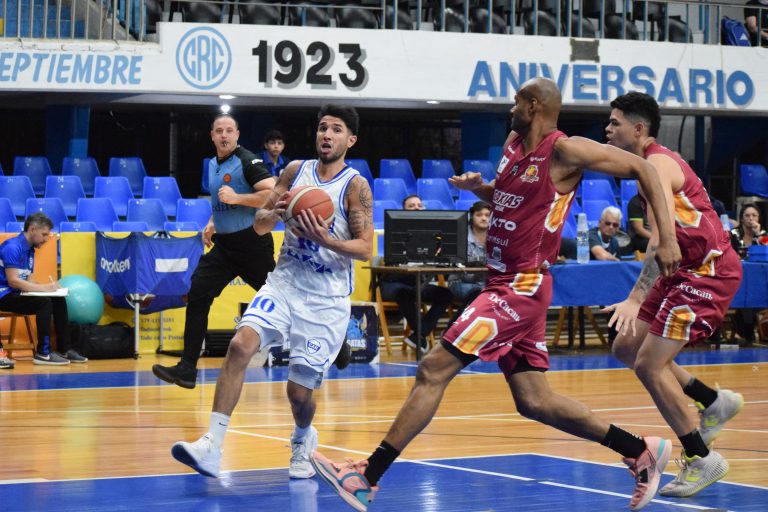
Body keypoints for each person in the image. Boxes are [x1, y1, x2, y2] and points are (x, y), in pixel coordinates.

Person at [312, 77, 682, 512]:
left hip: (522, 286)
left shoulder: (565, 150)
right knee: (534, 401)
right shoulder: (512, 143)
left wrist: (667, 238)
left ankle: (367, 476)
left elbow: (646, 171)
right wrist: (478, 190)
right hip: (501, 281)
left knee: (433, 368)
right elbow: (509, 198)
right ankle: (640, 450)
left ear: (533, 105)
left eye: (515, 103)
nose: (510, 110)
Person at [169, 104, 374, 481]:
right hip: (285, 283)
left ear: (351, 140)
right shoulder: (295, 171)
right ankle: (211, 446)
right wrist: (278, 210)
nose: (327, 135)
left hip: (325, 301)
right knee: (239, 345)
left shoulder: (355, 186)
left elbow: (365, 249)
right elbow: (261, 226)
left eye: (336, 129)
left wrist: (325, 239)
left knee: (299, 393)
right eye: (323, 127)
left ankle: (303, 437)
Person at [604, 91, 744, 499]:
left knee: (649, 366)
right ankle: (711, 400)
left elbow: (661, 239)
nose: (607, 129)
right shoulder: (644, 168)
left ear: (638, 129)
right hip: (681, 269)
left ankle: (702, 458)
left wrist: (635, 298)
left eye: (614, 123)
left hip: (707, 272)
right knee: (626, 346)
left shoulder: (657, 164)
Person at [152, 114, 277, 389]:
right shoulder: (212, 164)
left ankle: (334, 344)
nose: (224, 135)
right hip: (225, 247)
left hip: (252, 246)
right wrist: (212, 222)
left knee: (282, 300)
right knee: (198, 293)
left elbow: (273, 194)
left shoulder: (246, 160)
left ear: (237, 134)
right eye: (219, 131)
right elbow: (221, 202)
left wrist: (238, 198)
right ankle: (187, 369)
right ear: (211, 135)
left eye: (229, 130)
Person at [0, 213, 88, 367]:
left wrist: (51, 289)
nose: (47, 239)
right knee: (44, 303)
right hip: (4, 295)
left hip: (15, 293)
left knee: (57, 299)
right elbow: (14, 281)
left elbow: (28, 280)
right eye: (44, 234)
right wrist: (45, 288)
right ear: (32, 230)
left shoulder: (30, 250)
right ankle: (43, 353)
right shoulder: (12, 247)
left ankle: (64, 349)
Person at [379, 194, 454, 351]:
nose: (416, 208)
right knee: (404, 293)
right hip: (394, 283)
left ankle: (418, 336)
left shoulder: (434, 235)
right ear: (403, 211)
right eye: (411, 206)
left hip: (418, 282)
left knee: (445, 294)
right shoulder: (395, 232)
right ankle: (421, 336)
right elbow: (391, 263)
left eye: (419, 205)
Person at [729, 203, 768, 342]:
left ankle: (749, 329)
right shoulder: (733, 234)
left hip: (758, 277)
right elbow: (727, 253)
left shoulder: (763, 234)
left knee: (757, 291)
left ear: (759, 218)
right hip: (737, 276)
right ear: (741, 218)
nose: (751, 218)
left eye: (754, 215)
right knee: (746, 291)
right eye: (747, 215)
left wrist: (758, 234)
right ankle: (746, 328)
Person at [447, 200, 490, 307]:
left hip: (487, 284)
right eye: (479, 215)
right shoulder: (460, 236)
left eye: (487, 215)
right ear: (471, 217)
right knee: (481, 293)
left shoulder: (497, 239)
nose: (484, 218)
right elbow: (454, 264)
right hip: (461, 282)